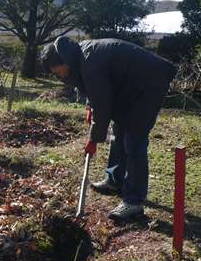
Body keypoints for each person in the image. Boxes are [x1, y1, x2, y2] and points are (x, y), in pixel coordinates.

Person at [41, 36, 177, 221]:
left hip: (148, 84)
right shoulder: (79, 56)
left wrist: (93, 140)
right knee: (119, 129)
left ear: (62, 61)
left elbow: (103, 105)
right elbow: (95, 89)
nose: (57, 75)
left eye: (56, 70)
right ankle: (114, 180)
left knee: (134, 139)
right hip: (130, 87)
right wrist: (90, 105)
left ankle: (134, 201)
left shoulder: (89, 62)